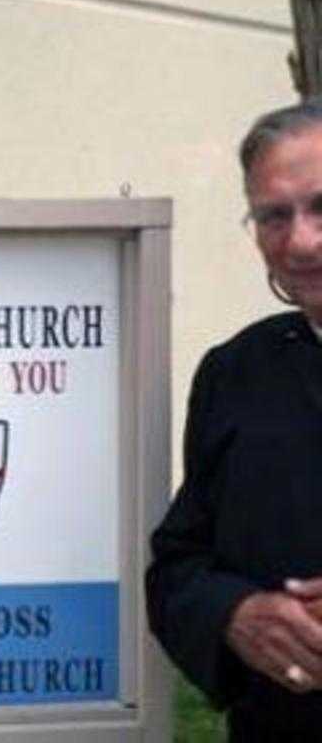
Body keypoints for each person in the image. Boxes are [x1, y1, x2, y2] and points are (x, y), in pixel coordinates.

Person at [146, 97, 322, 741]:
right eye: (274, 215)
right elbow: (179, 567)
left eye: (321, 206)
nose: (300, 240)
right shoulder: (237, 373)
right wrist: (236, 614)